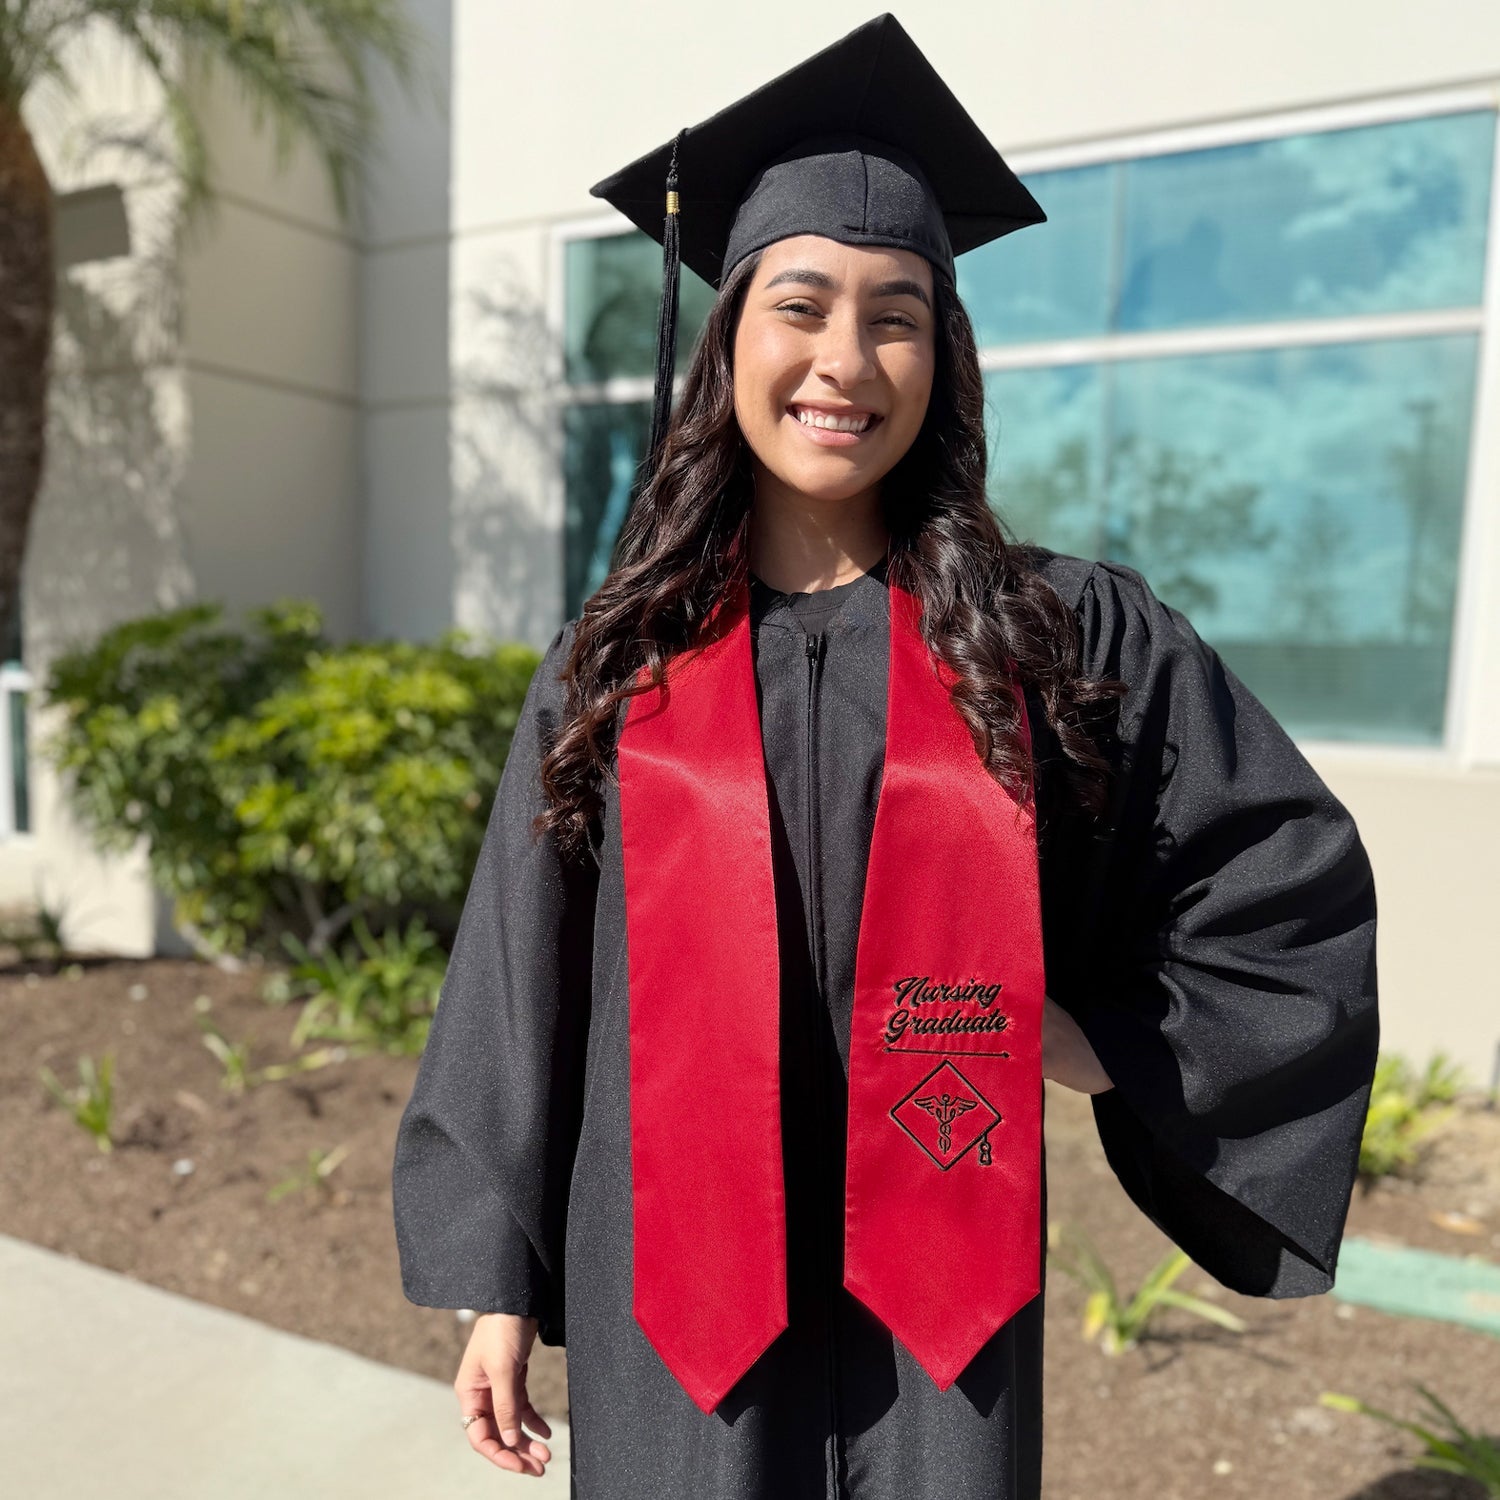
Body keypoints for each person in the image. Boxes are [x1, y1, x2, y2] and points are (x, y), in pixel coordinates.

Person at [391, 14, 1380, 1498]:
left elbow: (1278, 877)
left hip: (940, 1318)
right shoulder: (626, 659)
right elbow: (523, 981)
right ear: (729, 334)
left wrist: (1099, 1035)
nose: (844, 359)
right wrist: (497, 1282)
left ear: (945, 354)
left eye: (896, 314)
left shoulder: (1057, 638)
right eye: (802, 304)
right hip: (674, 1302)